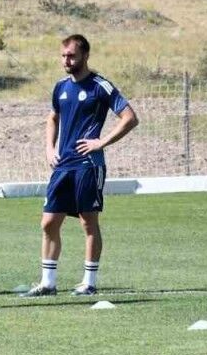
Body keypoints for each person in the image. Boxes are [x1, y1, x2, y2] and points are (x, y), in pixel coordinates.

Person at [23, 34, 139, 298]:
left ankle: (89, 282)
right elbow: (52, 118)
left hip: (88, 165)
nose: (66, 60)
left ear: (85, 55)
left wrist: (101, 142)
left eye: (72, 56)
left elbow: (130, 118)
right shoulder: (60, 87)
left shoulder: (100, 86)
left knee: (88, 223)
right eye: (63, 56)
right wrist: (49, 148)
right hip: (63, 165)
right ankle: (48, 283)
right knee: (48, 222)